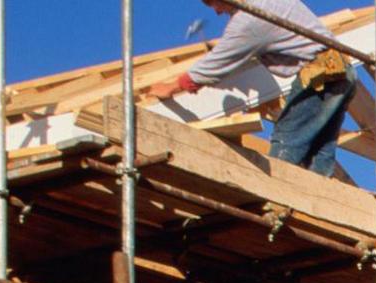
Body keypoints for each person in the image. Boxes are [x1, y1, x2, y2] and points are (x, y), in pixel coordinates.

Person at [145, 0, 354, 176]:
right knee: (320, 149)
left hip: (320, 76)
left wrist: (174, 86)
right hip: (341, 71)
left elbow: (218, 61)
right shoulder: (262, 6)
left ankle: (278, 199)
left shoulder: (249, 20)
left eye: (215, 4)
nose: (217, 12)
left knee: (286, 140)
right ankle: (318, 197)